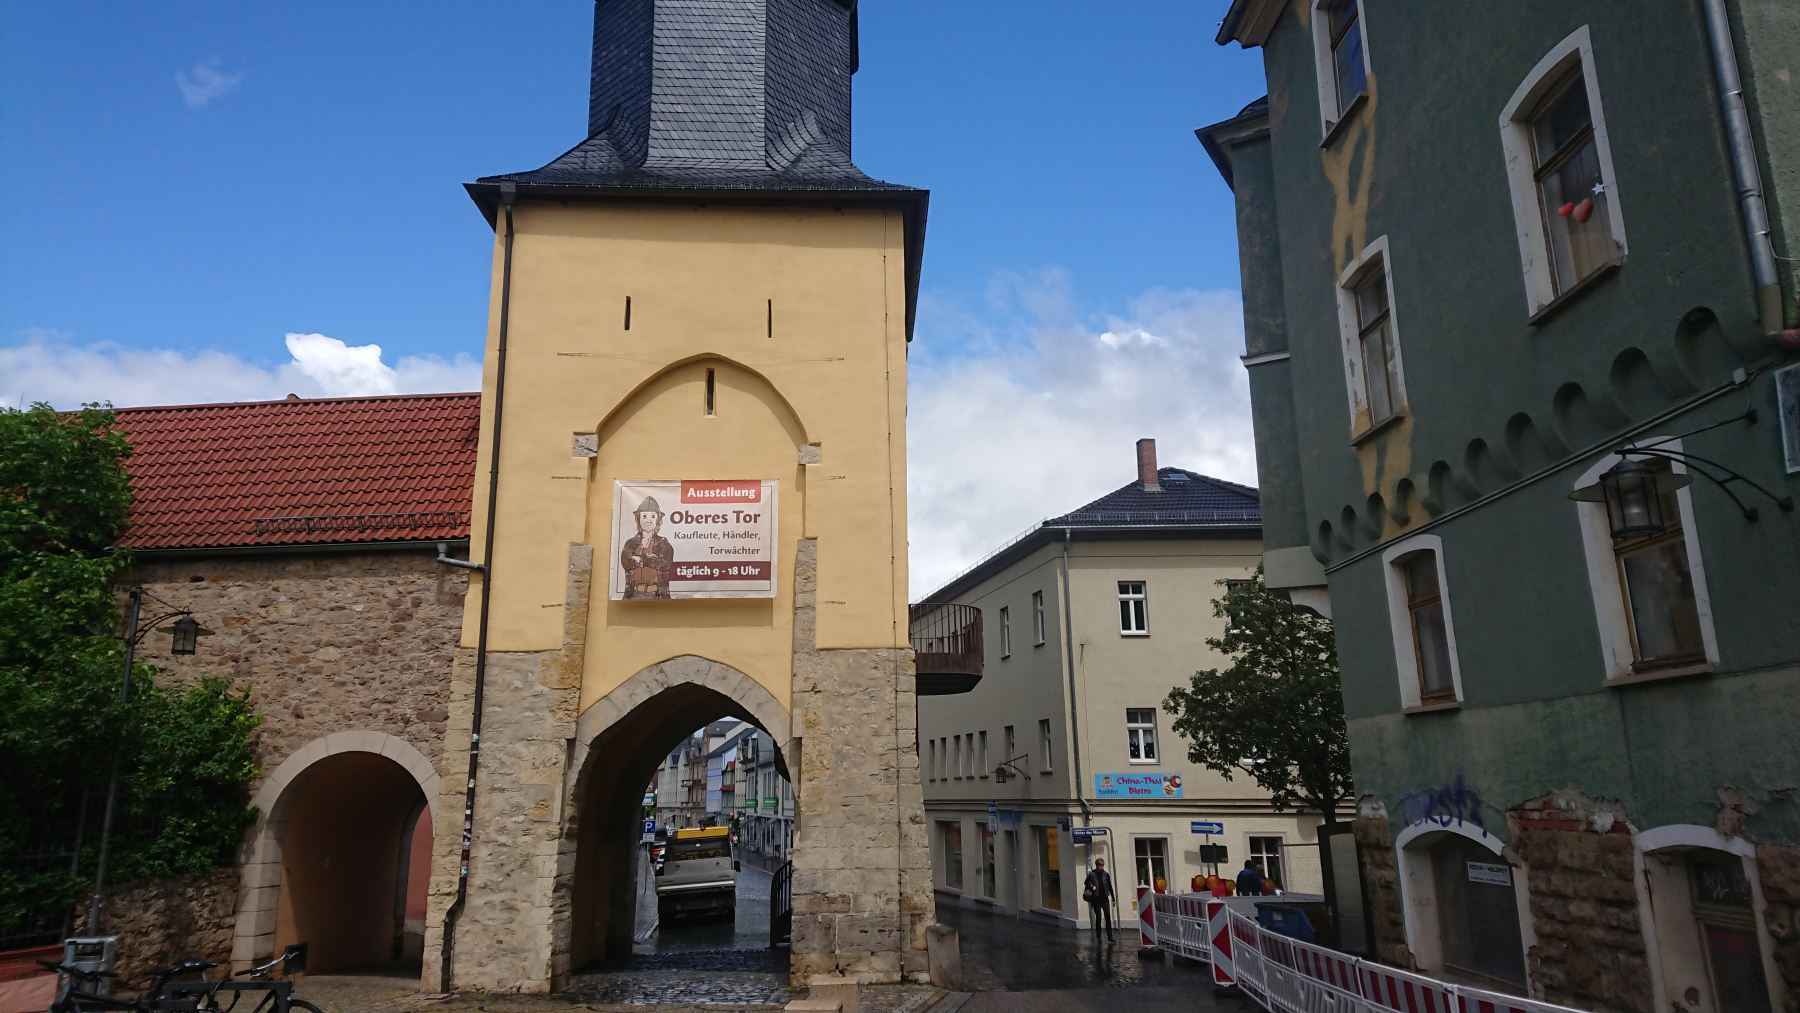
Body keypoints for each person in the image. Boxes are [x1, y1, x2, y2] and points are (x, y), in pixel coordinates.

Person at [620, 496, 674, 599]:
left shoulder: (663, 543)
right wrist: (653, 560)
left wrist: (641, 560)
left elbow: (665, 565)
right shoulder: (630, 543)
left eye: (653, 516)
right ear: (638, 519)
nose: (648, 521)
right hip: (633, 595)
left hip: (656, 596)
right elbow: (626, 563)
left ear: (658, 519)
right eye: (644, 516)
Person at [1083, 859, 1115, 939]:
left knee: (1107, 916)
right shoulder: (1092, 874)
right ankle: (1099, 936)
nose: (1101, 867)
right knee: (1098, 917)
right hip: (1096, 898)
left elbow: (1110, 886)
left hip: (1104, 897)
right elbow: (1086, 882)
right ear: (1097, 865)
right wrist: (1091, 887)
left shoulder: (1106, 874)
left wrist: (1113, 899)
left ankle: (1110, 936)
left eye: (1102, 865)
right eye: (1099, 865)